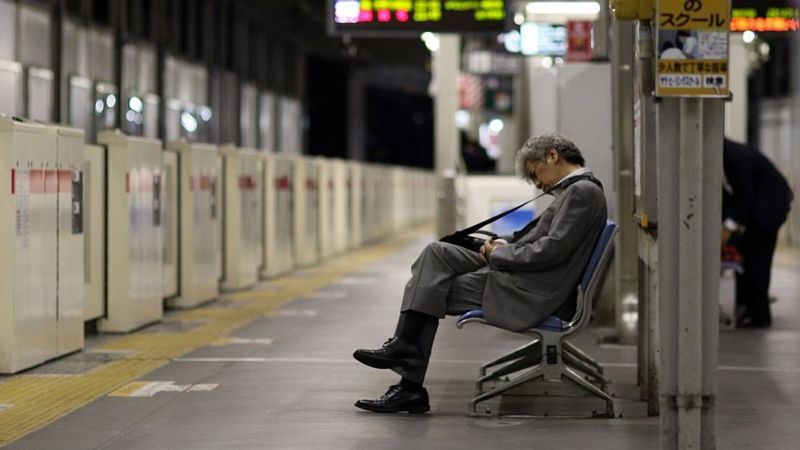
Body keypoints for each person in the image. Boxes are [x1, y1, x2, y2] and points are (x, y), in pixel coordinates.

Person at [352, 133, 608, 413]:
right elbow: (539, 239)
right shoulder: (577, 191)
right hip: (527, 274)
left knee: (432, 288)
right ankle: (405, 345)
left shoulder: (581, 192)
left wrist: (498, 254)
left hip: (533, 289)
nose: (538, 184)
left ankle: (409, 384)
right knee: (436, 253)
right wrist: (501, 242)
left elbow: (551, 251)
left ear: (553, 155)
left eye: (537, 174)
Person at [722, 138, 794, 328]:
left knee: (758, 259)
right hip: (759, 207)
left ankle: (758, 315)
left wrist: (729, 227)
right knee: (747, 257)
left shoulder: (736, 158)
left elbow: (745, 196)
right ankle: (746, 307)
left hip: (768, 209)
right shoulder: (726, 157)